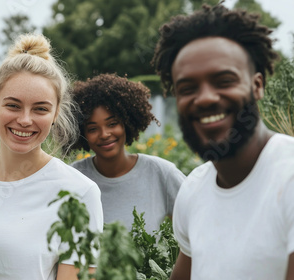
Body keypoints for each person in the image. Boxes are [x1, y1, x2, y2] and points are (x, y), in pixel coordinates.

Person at [0, 33, 103, 280]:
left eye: (40, 108)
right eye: (13, 105)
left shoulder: (79, 194)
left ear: (55, 114)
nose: (25, 120)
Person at [151, 4, 294, 279]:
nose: (205, 98)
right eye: (187, 88)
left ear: (257, 85)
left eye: (224, 80)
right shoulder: (193, 190)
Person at [69, 73, 185, 234]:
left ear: (127, 122)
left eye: (112, 123)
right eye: (93, 129)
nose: (104, 134)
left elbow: (198, 225)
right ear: (81, 133)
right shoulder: (73, 178)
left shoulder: (162, 173)